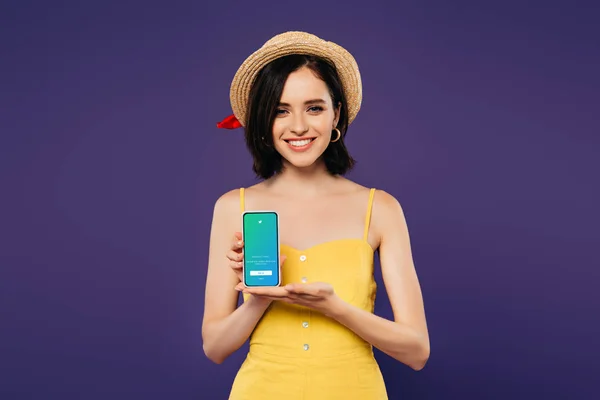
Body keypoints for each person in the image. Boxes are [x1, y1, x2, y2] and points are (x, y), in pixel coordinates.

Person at [202, 31, 429, 400]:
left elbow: (417, 351)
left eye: (314, 108)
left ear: (336, 112)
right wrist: (259, 298)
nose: (298, 127)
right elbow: (215, 347)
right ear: (263, 120)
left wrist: (336, 308)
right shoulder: (234, 207)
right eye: (280, 110)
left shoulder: (381, 209)